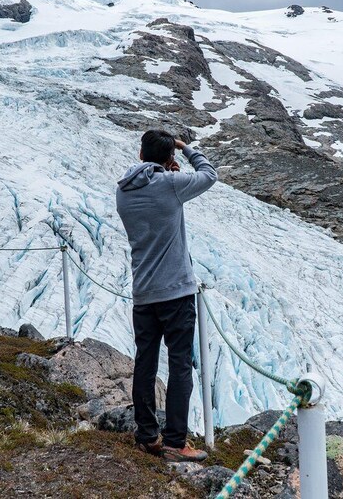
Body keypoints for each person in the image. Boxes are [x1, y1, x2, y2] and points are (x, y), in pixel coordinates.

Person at [115, 129, 218, 462]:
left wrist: (164, 167)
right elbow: (209, 175)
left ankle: (146, 435)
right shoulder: (172, 185)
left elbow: (151, 188)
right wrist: (186, 148)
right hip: (175, 292)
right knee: (179, 366)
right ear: (169, 158)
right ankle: (175, 442)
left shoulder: (123, 192)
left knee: (145, 363)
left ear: (141, 154)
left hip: (143, 293)